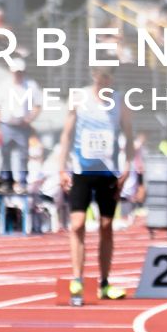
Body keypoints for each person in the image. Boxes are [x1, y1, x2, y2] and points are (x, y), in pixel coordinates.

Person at [56, 68, 131, 300]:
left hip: (109, 173)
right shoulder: (79, 97)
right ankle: (77, 279)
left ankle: (105, 283)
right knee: (77, 224)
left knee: (106, 226)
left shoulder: (120, 102)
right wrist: (61, 167)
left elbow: (129, 135)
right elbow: (67, 134)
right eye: (101, 74)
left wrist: (128, 165)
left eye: (109, 74)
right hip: (81, 170)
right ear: (93, 74)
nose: (104, 78)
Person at [0, 54, 42, 196]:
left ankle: (22, 182)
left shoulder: (31, 85)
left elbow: (38, 105)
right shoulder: (4, 85)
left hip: (22, 126)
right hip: (6, 125)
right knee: (5, 153)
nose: (18, 74)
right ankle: (7, 181)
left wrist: (29, 119)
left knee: (23, 155)